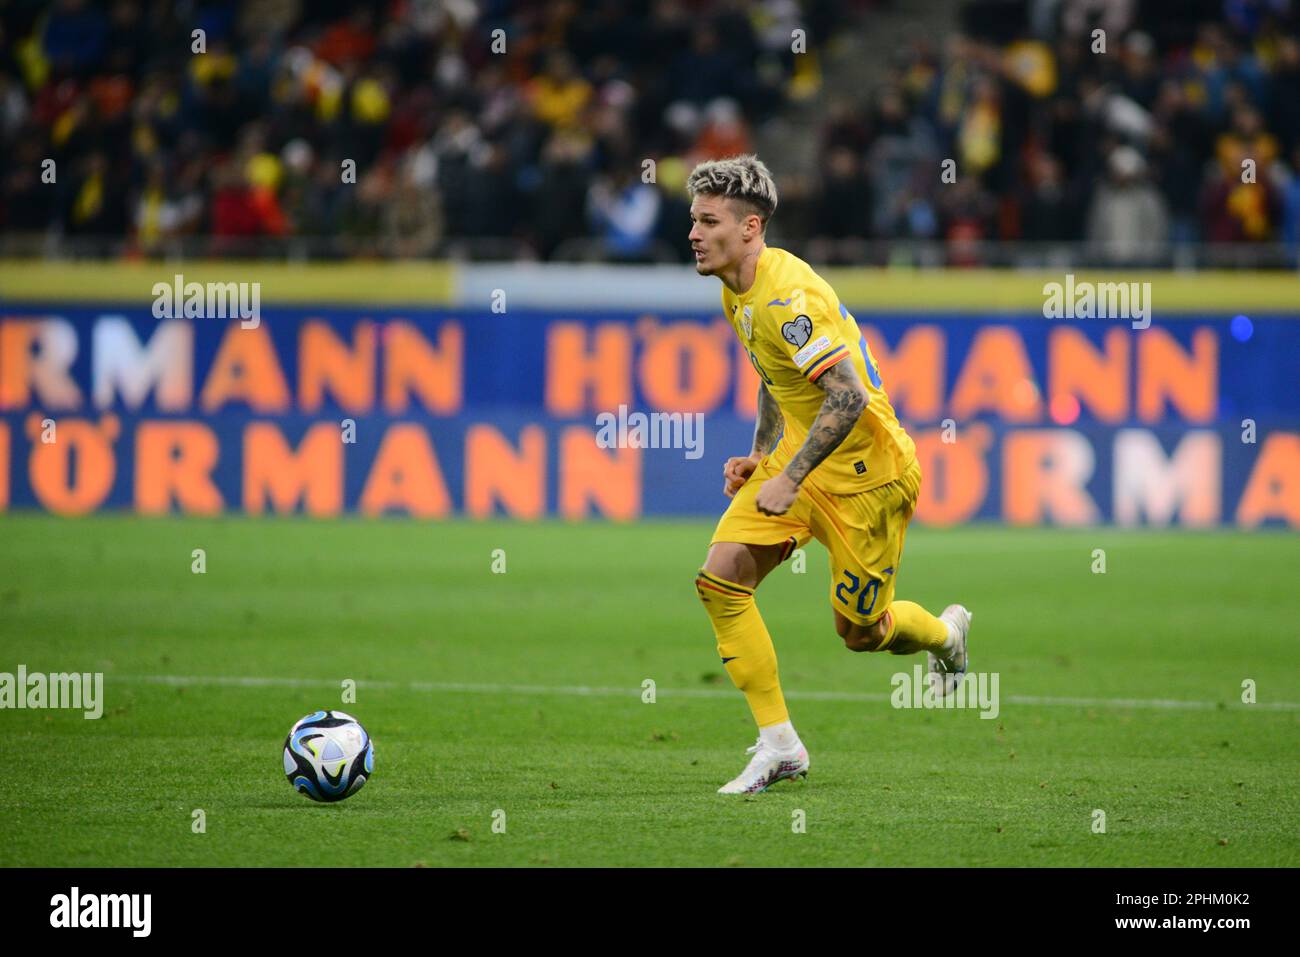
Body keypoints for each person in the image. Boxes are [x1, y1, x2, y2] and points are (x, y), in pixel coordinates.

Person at [687, 154, 972, 794]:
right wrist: (765, 452)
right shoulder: (737, 287)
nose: (695, 234)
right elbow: (776, 373)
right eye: (694, 220)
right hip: (800, 455)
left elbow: (847, 397)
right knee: (720, 580)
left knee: (861, 634)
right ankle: (779, 744)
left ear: (751, 226)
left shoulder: (791, 298)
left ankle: (946, 634)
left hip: (869, 477)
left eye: (709, 221)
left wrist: (790, 478)